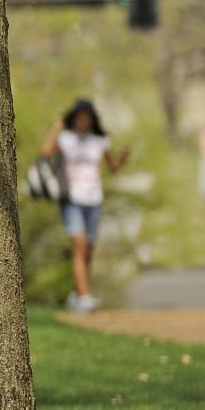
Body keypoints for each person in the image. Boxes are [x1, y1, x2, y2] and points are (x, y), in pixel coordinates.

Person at [40, 99, 130, 312]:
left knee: (88, 249)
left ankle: (78, 293)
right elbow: (45, 153)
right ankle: (84, 297)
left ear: (92, 120)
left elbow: (113, 167)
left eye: (87, 118)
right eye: (80, 118)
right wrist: (55, 129)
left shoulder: (99, 140)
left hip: (94, 199)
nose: (83, 122)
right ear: (74, 118)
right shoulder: (66, 138)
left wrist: (122, 159)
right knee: (79, 246)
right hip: (71, 198)